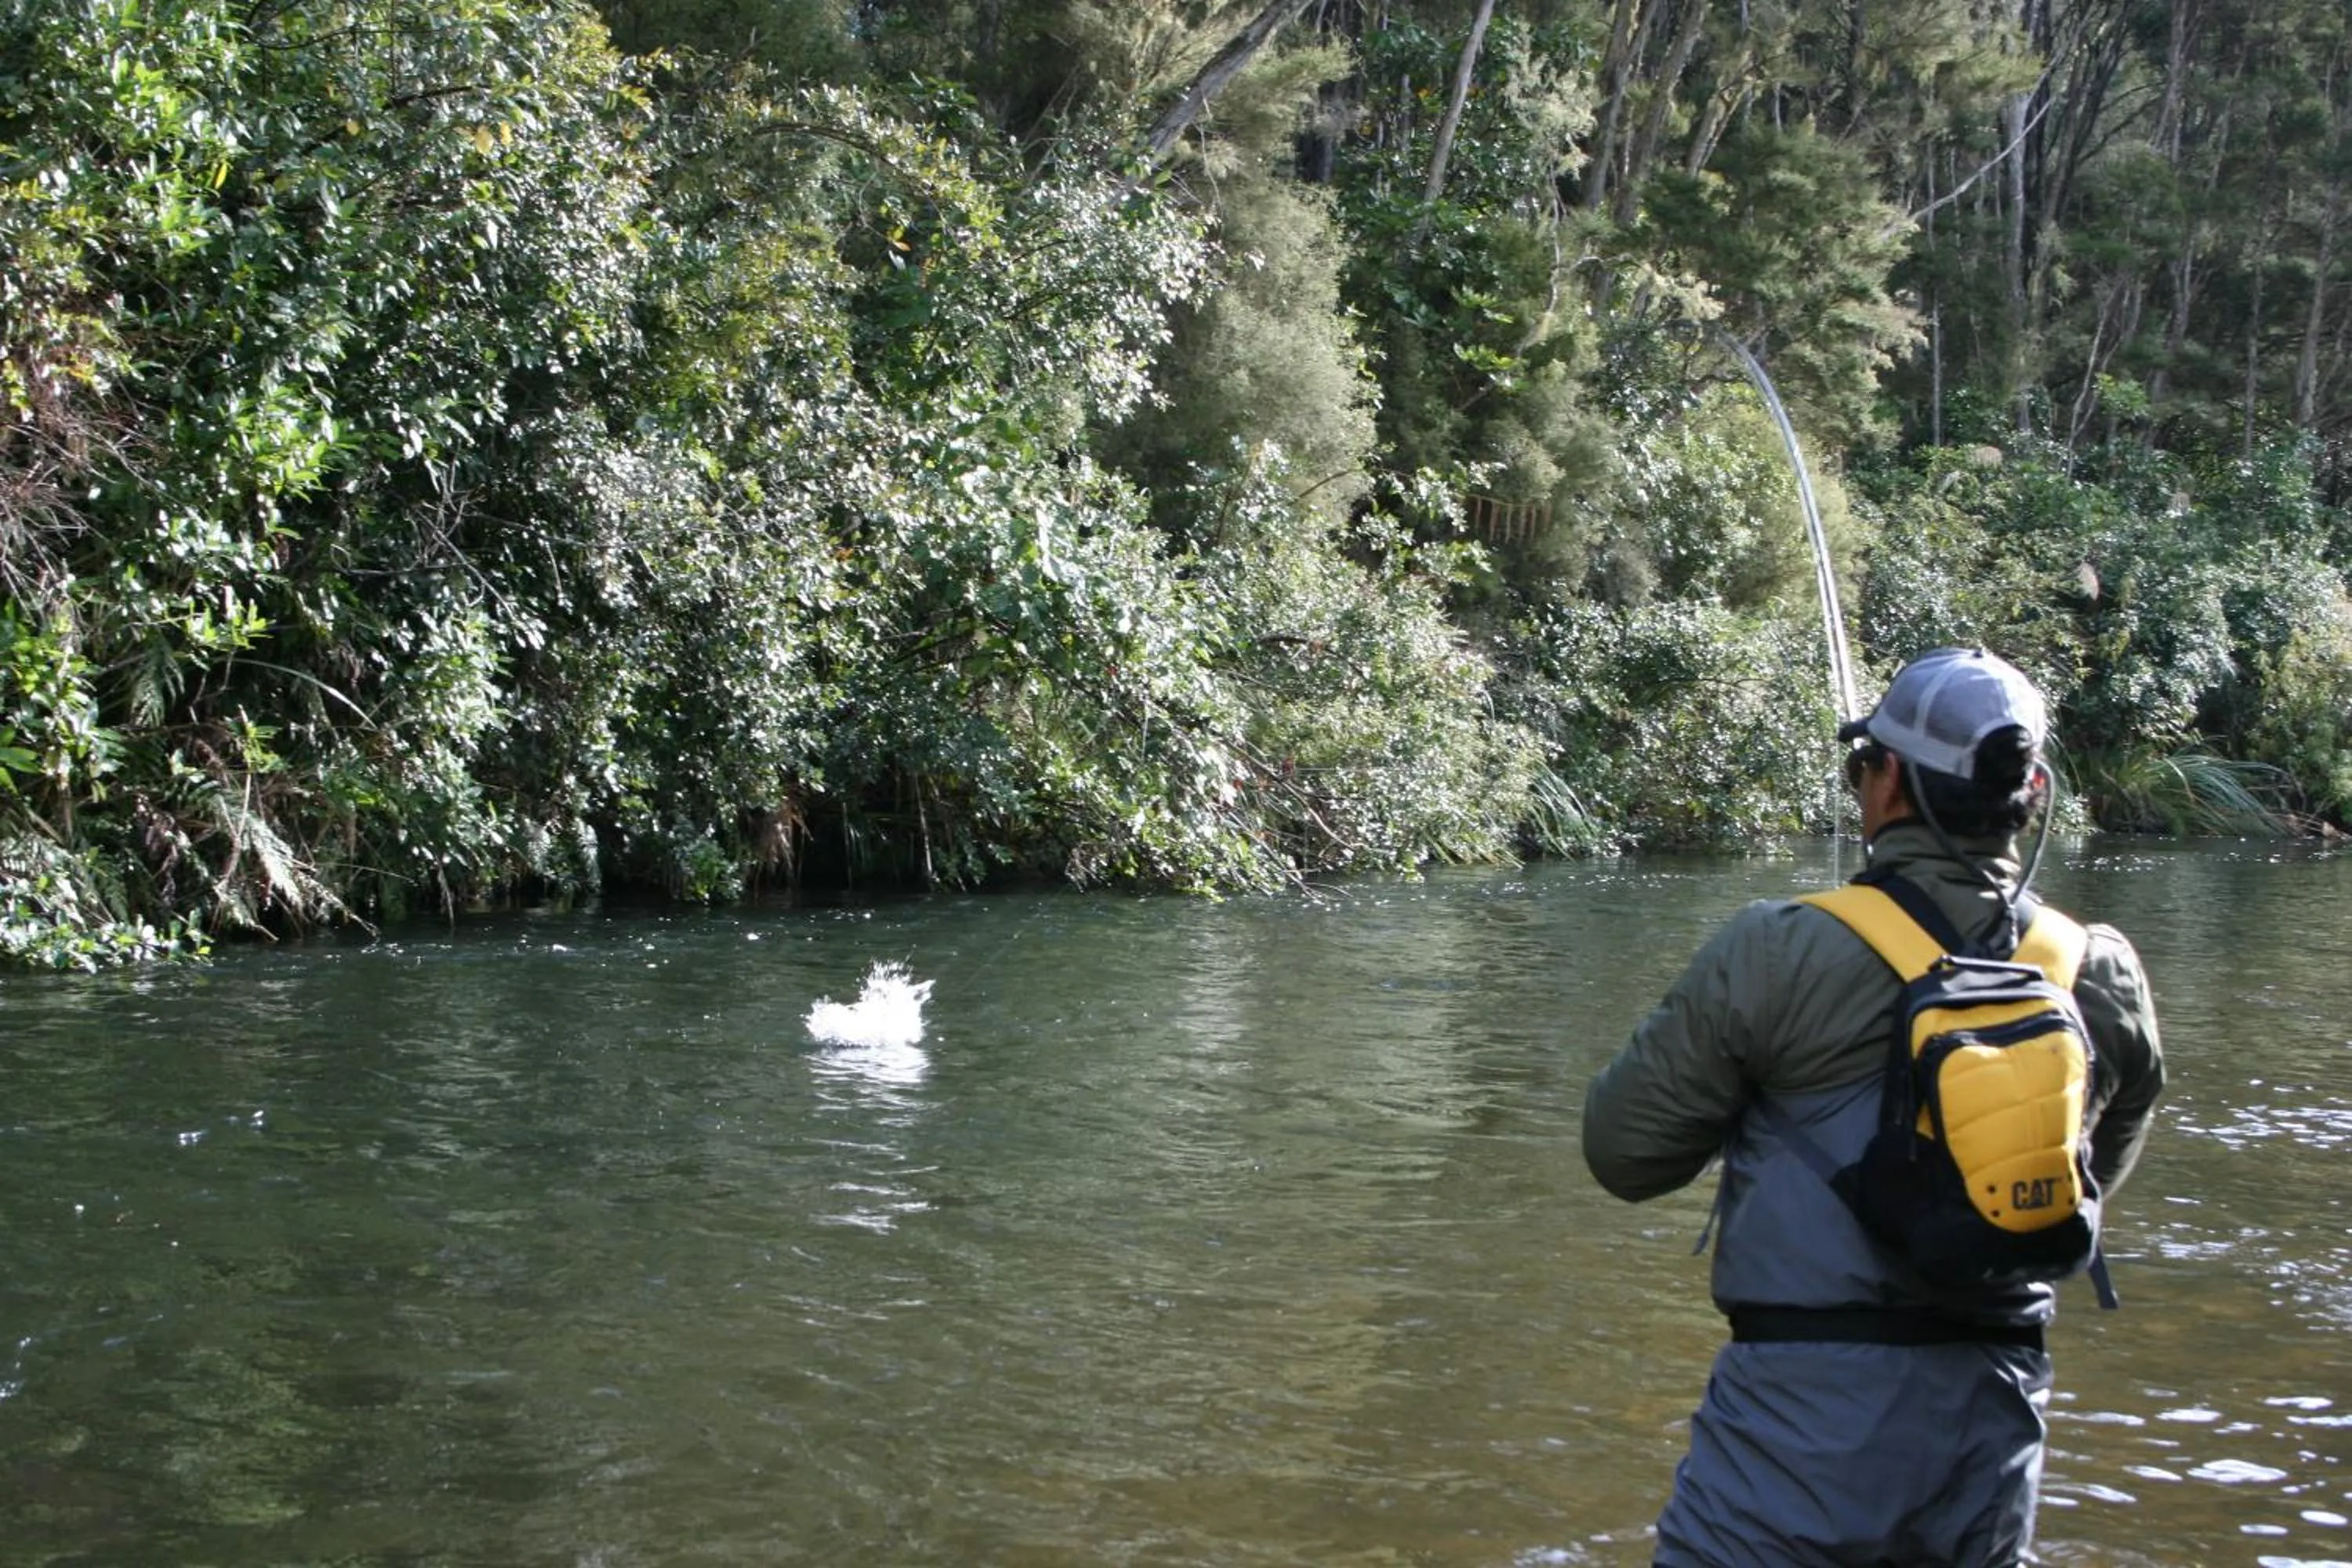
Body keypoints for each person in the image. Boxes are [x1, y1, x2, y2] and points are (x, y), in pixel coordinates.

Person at [1583, 647, 2165, 1567]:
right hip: (1993, 1442)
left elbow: (1624, 1155)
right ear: (2033, 791)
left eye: (1863, 767)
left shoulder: (1778, 950)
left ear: (1885, 781)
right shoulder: (2097, 968)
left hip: (1789, 1446)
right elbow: (2090, 1170)